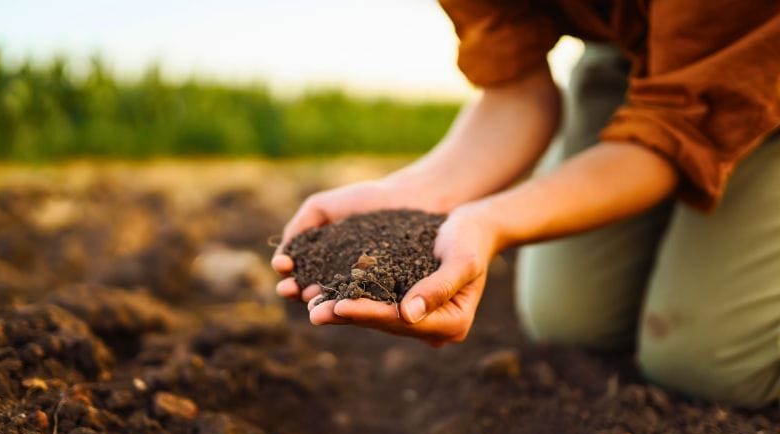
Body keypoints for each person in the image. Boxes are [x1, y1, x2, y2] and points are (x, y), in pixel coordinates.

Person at [272, 1, 780, 407]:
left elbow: (676, 129)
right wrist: (413, 197)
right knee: (570, 321)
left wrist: (494, 221)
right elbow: (516, 93)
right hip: (632, 52)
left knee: (707, 365)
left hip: (760, 55)